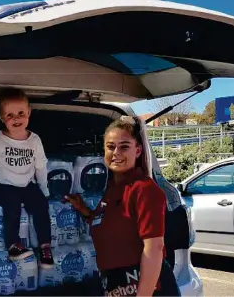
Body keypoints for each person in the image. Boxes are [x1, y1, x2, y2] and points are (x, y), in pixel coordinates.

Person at [65, 116, 179, 297]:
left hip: (148, 288)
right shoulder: (112, 190)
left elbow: (154, 249)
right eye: (110, 147)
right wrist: (83, 209)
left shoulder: (145, 190)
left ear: (138, 150)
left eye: (124, 146)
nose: (116, 152)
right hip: (116, 286)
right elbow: (105, 224)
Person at [0, 88, 54, 268]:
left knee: (41, 206)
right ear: (1, 117)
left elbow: (40, 166)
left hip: (27, 184)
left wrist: (44, 189)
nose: (16, 118)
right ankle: (13, 246)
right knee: (12, 207)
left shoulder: (34, 140)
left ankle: (45, 247)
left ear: (29, 112)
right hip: (3, 185)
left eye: (21, 113)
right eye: (10, 115)